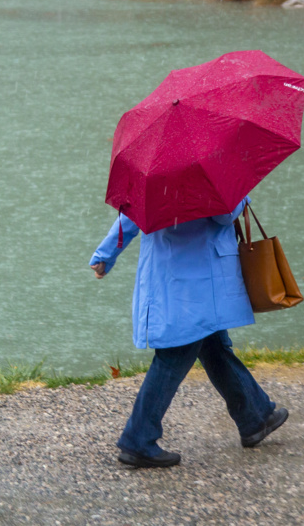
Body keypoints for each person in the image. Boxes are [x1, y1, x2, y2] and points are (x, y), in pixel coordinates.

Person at [90, 198, 288, 468]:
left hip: (168, 278)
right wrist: (242, 196)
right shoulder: (205, 177)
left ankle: (254, 416)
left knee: (213, 345)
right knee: (175, 356)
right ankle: (138, 440)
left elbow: (131, 215)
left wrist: (105, 254)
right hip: (197, 282)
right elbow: (224, 215)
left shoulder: (158, 178)